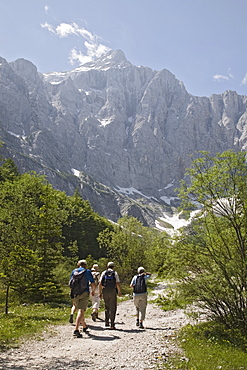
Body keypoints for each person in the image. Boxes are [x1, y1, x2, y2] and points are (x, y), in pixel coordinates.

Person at [69, 259, 95, 338]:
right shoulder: (87, 272)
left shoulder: (74, 271)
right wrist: (93, 291)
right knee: (81, 310)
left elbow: (70, 283)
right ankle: (76, 330)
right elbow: (93, 283)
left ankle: (84, 326)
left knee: (79, 309)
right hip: (84, 292)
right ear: (85, 265)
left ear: (78, 265)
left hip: (75, 293)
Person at [99, 261, 122, 329]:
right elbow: (117, 283)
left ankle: (106, 322)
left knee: (107, 306)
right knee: (113, 307)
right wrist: (119, 291)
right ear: (113, 266)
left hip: (105, 290)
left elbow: (100, 283)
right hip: (112, 290)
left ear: (107, 266)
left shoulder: (104, 272)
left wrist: (100, 292)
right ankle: (112, 324)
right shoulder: (115, 273)